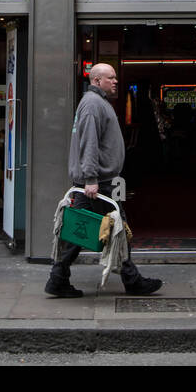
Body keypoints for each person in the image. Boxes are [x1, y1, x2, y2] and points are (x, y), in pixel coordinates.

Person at [45, 63, 162, 298]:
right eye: (111, 77)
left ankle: (58, 279)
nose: (116, 81)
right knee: (117, 229)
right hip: (98, 183)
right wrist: (91, 178)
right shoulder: (93, 104)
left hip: (98, 181)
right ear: (97, 81)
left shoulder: (96, 102)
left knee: (79, 231)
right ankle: (132, 281)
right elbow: (89, 142)